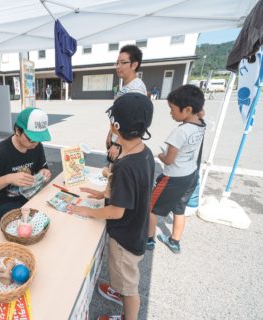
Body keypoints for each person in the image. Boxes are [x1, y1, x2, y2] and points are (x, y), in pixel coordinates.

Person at [69, 93, 155, 320]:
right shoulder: (144, 153)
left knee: (130, 288)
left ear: (115, 126)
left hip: (125, 239)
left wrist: (89, 210)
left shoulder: (125, 165)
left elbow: (117, 211)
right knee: (125, 280)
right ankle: (120, 294)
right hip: (136, 231)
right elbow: (133, 191)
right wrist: (104, 193)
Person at [147, 85, 206, 254]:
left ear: (187, 109)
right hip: (190, 175)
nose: (170, 113)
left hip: (173, 178)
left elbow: (169, 159)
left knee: (151, 207)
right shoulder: (201, 124)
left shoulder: (179, 132)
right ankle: (174, 241)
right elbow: (201, 112)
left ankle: (149, 239)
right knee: (180, 210)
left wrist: (160, 156)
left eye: (172, 109)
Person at [0, 107, 52, 219]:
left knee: (51, 214)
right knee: (28, 225)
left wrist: (44, 172)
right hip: (5, 202)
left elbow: (42, 168)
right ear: (17, 130)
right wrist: (9, 178)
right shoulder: (0, 152)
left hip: (30, 195)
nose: (35, 143)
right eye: (31, 138)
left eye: (39, 139)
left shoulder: (37, 146)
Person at [106, 45, 147, 160]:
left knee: (115, 174)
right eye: (117, 63)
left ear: (134, 65)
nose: (118, 66)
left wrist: (117, 144)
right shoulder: (128, 86)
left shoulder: (136, 90)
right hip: (117, 137)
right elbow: (119, 116)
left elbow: (132, 123)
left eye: (123, 63)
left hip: (122, 144)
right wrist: (110, 133)